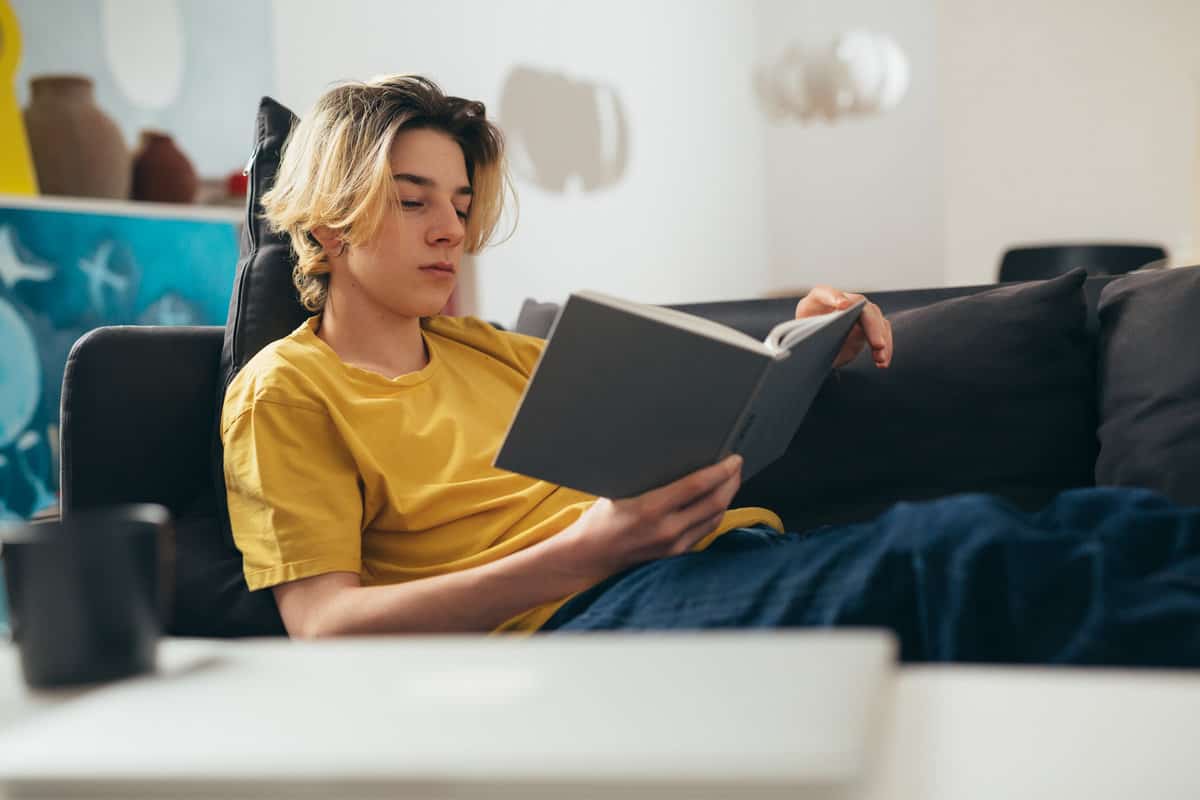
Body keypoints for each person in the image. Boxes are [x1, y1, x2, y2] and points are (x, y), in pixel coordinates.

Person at [222, 75, 1200, 664]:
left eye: (461, 199)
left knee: (1086, 522)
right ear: (328, 218)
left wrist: (800, 342)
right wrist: (589, 549)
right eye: (411, 200)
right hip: (583, 621)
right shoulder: (285, 389)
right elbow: (327, 625)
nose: (451, 228)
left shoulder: (481, 348)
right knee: (950, 554)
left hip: (712, 559)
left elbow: (664, 392)